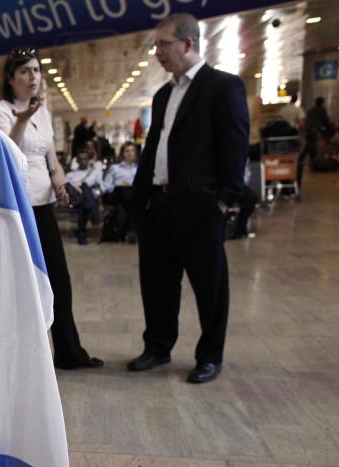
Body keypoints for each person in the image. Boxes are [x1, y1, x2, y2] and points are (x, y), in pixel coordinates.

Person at [127, 13, 249, 384]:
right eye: (156, 45)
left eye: (163, 44)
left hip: (201, 207)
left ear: (188, 43)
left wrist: (224, 201)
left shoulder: (222, 87)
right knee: (158, 282)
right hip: (161, 205)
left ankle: (210, 355)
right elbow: (154, 149)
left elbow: (235, 144)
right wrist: (140, 198)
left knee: (209, 286)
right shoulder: (164, 95)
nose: (157, 52)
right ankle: (158, 347)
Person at [0, 47, 103, 370]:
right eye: (24, 71)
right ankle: (21, 361)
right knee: (21, 286)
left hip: (43, 206)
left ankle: (68, 352)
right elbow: (3, 150)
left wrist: (62, 185)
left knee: (59, 281)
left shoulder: (44, 113)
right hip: (14, 210)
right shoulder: (2, 110)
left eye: (36, 70)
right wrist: (21, 120)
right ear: (11, 79)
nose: (32, 77)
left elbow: (52, 161)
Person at [65, 149, 104, 245]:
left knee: (85, 196)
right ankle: (94, 216)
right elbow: (67, 187)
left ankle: (81, 234)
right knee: (84, 190)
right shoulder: (71, 174)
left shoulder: (95, 172)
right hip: (75, 198)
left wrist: (87, 188)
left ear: (88, 160)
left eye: (85, 159)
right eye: (80, 159)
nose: (83, 161)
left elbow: (101, 186)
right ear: (77, 161)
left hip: (90, 197)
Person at [103, 142, 140, 242]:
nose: (130, 153)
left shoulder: (138, 169)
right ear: (122, 153)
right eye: (127, 151)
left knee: (130, 194)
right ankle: (132, 230)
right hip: (116, 193)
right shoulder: (115, 168)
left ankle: (128, 230)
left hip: (132, 195)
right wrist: (119, 185)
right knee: (125, 191)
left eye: (132, 151)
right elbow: (107, 186)